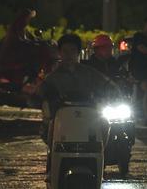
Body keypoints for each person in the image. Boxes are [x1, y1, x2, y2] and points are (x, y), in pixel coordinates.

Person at [39, 33, 119, 176]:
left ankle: (99, 158)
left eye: (72, 51)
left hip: (88, 118)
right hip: (62, 120)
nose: (69, 55)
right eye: (65, 51)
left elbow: (108, 85)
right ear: (60, 53)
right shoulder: (53, 77)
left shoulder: (89, 73)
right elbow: (40, 93)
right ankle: (52, 166)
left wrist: (115, 94)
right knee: (49, 129)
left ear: (78, 53)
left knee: (105, 124)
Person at [0, 8, 41, 85]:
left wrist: (39, 41)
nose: (29, 20)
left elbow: (33, 38)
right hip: (11, 60)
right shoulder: (15, 28)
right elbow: (19, 41)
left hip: (18, 58)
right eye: (28, 18)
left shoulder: (25, 30)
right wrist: (29, 43)